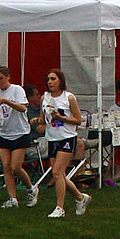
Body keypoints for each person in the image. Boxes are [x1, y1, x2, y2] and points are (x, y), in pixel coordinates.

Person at [39, 69, 91, 218]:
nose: (50, 82)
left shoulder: (69, 98)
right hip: (52, 138)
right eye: (48, 79)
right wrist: (38, 120)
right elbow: (43, 118)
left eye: (53, 79)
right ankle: (81, 197)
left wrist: (62, 118)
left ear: (60, 81)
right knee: (59, 175)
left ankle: (60, 207)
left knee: (56, 172)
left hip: (67, 138)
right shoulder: (45, 98)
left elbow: (78, 120)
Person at [0, 65, 34, 209]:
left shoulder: (16, 90)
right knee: (6, 166)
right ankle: (12, 198)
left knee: (16, 167)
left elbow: (23, 108)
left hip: (19, 132)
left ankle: (31, 188)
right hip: (4, 132)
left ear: (7, 77)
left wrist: (7, 101)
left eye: (1, 78)